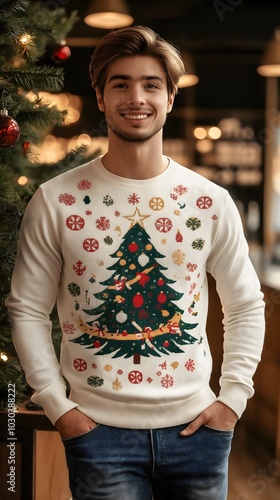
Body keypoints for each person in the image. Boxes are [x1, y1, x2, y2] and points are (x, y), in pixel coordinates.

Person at [6, 25, 265, 500]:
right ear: (101, 97)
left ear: (169, 97)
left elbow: (246, 303)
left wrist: (233, 399)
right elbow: (26, 309)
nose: (135, 97)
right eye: (120, 83)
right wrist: (59, 408)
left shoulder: (209, 202)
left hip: (199, 432)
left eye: (150, 84)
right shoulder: (57, 200)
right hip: (97, 435)